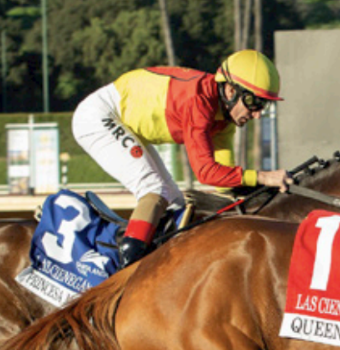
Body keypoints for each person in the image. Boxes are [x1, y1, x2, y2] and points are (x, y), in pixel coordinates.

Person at [72, 50, 291, 266]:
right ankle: (127, 269)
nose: (257, 114)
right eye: (253, 102)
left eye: (263, 105)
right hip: (100, 116)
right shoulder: (199, 102)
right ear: (230, 90)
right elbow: (205, 172)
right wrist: (263, 177)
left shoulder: (224, 121)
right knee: (154, 189)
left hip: (125, 123)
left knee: (175, 203)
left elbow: (224, 183)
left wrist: (267, 192)